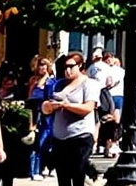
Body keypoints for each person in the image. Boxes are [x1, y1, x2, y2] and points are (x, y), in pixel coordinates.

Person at [39, 55, 99, 186]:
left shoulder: (89, 84)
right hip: (59, 138)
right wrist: (48, 107)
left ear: (80, 66)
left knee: (78, 174)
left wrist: (66, 105)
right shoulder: (58, 84)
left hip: (80, 136)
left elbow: (88, 108)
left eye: (71, 67)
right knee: (63, 177)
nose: (67, 70)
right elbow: (45, 107)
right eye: (65, 67)